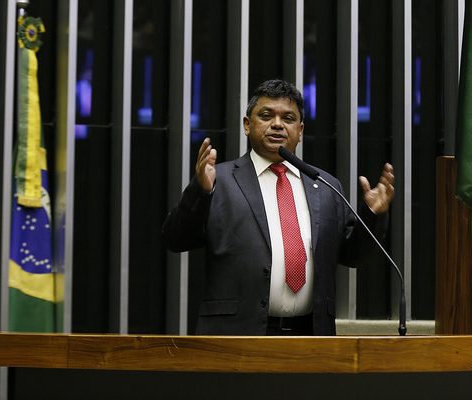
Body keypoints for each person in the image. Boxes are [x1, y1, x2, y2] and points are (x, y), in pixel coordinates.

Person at [162, 79, 395, 335]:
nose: (277, 124)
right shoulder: (220, 180)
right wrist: (201, 191)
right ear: (247, 125)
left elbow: (353, 256)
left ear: (300, 130)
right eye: (266, 116)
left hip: (310, 335)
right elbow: (176, 239)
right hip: (236, 334)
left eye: (288, 118)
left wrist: (372, 214)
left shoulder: (326, 186)